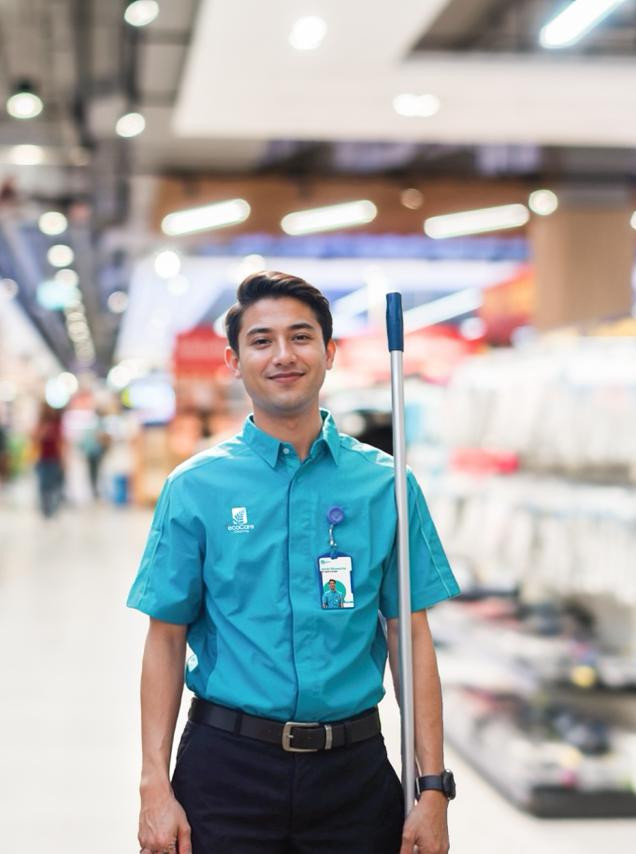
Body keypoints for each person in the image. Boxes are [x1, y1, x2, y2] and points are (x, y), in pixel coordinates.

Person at [129, 272, 459, 854]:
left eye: (301, 337)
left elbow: (410, 636)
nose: (283, 355)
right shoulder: (196, 488)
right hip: (226, 770)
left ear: (329, 352)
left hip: (353, 774)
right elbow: (165, 638)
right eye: (262, 340)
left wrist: (432, 787)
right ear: (234, 360)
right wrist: (154, 782)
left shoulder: (387, 484)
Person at [33, 404, 65, 518]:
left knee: (53, 485)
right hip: (42, 459)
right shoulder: (40, 425)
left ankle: (53, 508)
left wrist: (63, 459)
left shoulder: (57, 425)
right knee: (43, 485)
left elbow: (61, 443)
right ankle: (45, 509)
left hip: (54, 459)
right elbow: (34, 439)